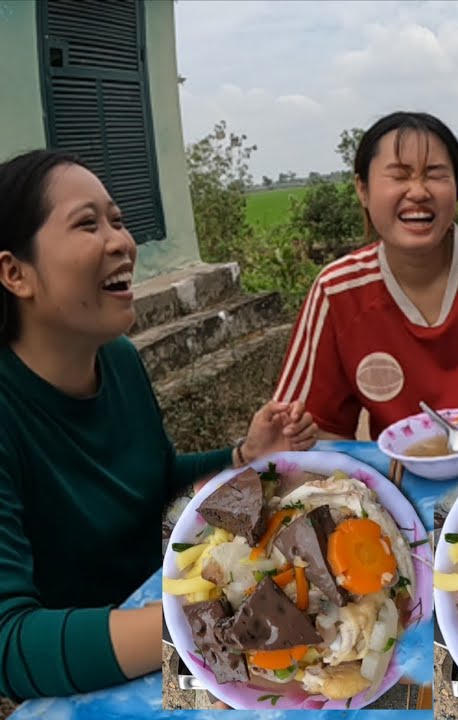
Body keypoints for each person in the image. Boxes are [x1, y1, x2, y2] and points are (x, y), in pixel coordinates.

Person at [0, 150, 316, 699]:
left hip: (174, 621)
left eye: (119, 220)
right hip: (96, 681)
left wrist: (241, 457)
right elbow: (9, 642)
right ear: (14, 272)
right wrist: (208, 614)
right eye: (87, 223)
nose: (122, 242)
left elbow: (153, 478)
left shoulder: (119, 360)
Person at [273, 112, 458, 443]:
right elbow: (312, 427)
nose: (418, 191)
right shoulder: (337, 290)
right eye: (398, 176)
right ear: (362, 189)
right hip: (395, 482)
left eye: (435, 174)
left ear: (457, 186)